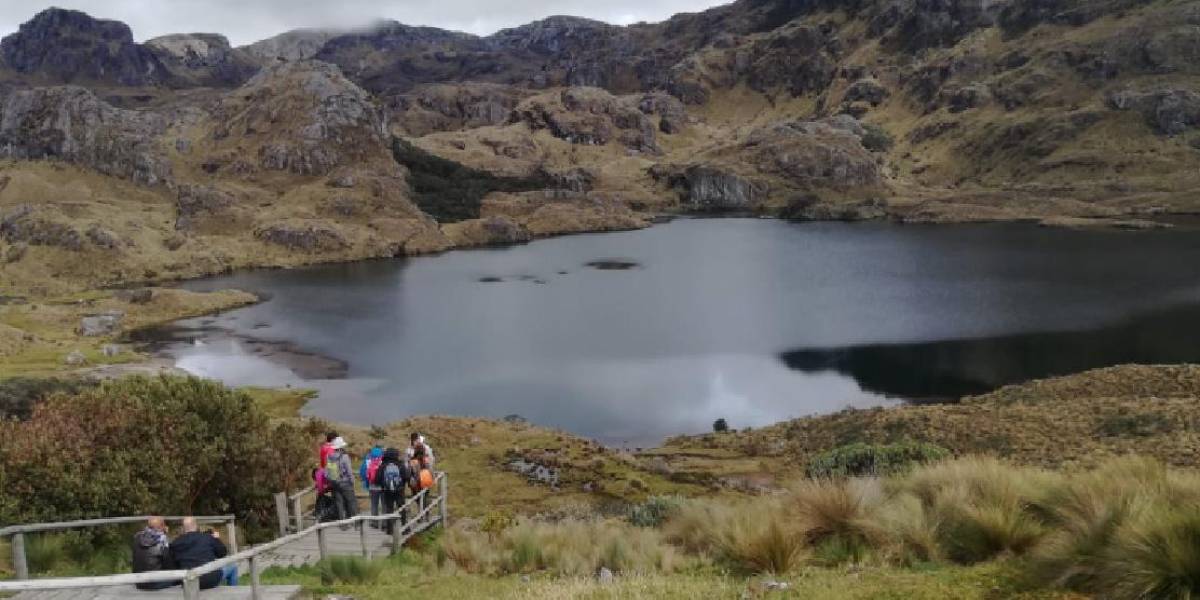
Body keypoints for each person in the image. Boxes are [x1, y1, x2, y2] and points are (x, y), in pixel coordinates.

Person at [170, 517, 235, 589]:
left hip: (187, 580)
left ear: (184, 528)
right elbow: (222, 553)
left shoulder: (175, 543)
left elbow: (173, 563)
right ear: (196, 525)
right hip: (210, 579)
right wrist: (217, 539)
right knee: (233, 567)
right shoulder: (207, 537)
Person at [132, 516, 178, 590]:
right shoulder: (162, 541)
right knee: (179, 578)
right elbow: (169, 565)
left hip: (138, 581)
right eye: (164, 524)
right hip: (153, 584)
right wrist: (165, 535)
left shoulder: (138, 537)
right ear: (162, 526)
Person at [374, 447, 409, 534]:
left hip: (387, 490)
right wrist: (402, 483)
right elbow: (406, 476)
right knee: (401, 508)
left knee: (389, 509)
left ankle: (390, 530)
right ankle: (404, 527)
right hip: (399, 489)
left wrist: (383, 484)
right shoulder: (400, 464)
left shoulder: (383, 465)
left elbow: (377, 479)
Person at [325, 436, 357, 523]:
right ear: (341, 447)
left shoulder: (329, 457)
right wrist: (352, 481)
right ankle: (355, 522)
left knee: (339, 503)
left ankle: (342, 523)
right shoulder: (345, 457)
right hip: (345, 483)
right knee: (351, 502)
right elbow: (349, 471)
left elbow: (326, 472)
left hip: (334, 483)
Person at [360, 445, 384, 527]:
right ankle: (384, 523)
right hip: (383, 486)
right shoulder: (383, 460)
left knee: (374, 504)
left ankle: (374, 522)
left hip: (372, 486)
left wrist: (366, 484)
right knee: (384, 504)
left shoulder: (368, 460)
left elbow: (363, 473)